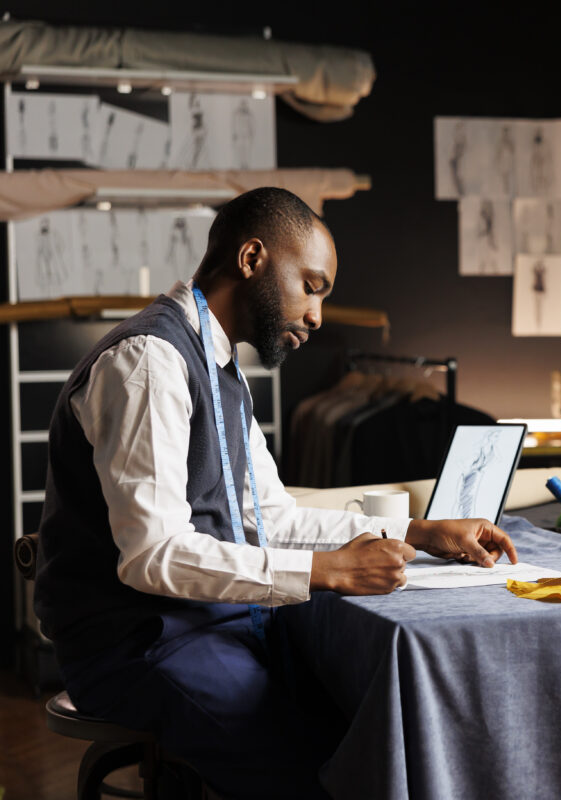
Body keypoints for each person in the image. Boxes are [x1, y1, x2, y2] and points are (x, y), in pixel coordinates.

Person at [33, 187, 518, 799]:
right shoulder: (150, 362)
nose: (317, 315)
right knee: (319, 773)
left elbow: (271, 516)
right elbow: (152, 555)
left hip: (200, 625)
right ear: (252, 258)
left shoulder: (223, 373)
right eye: (311, 285)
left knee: (366, 728)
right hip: (132, 645)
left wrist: (418, 531)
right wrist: (324, 571)